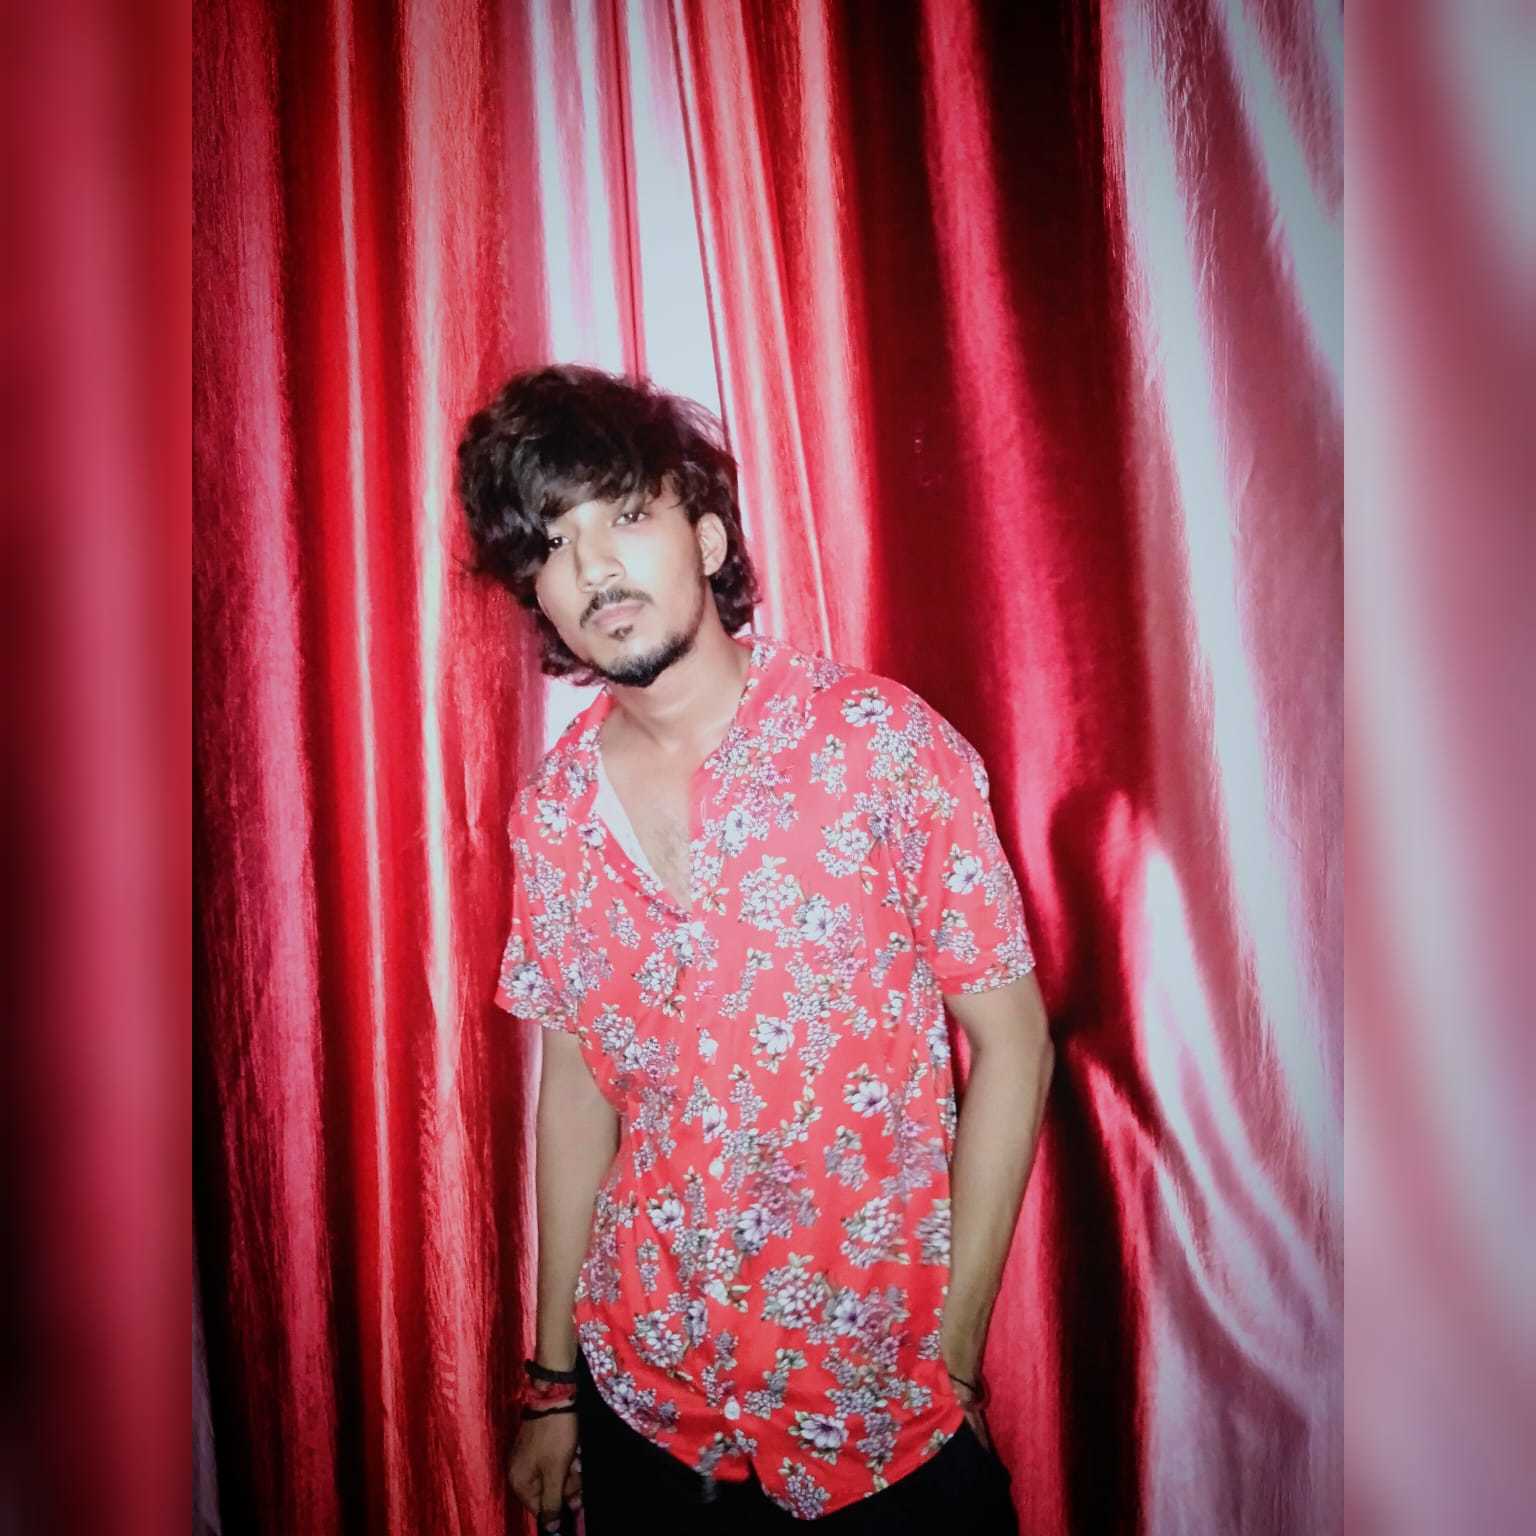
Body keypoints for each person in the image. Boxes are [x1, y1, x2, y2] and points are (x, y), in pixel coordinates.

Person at [457, 365, 1054, 1533]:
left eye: (626, 515)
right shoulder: (554, 816)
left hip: (881, 1422)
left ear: (709, 535)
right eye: (553, 542)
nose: (594, 566)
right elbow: (577, 1092)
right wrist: (553, 1384)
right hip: (649, 1413)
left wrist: (954, 1357)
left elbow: (1014, 1042)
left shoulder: (882, 747)